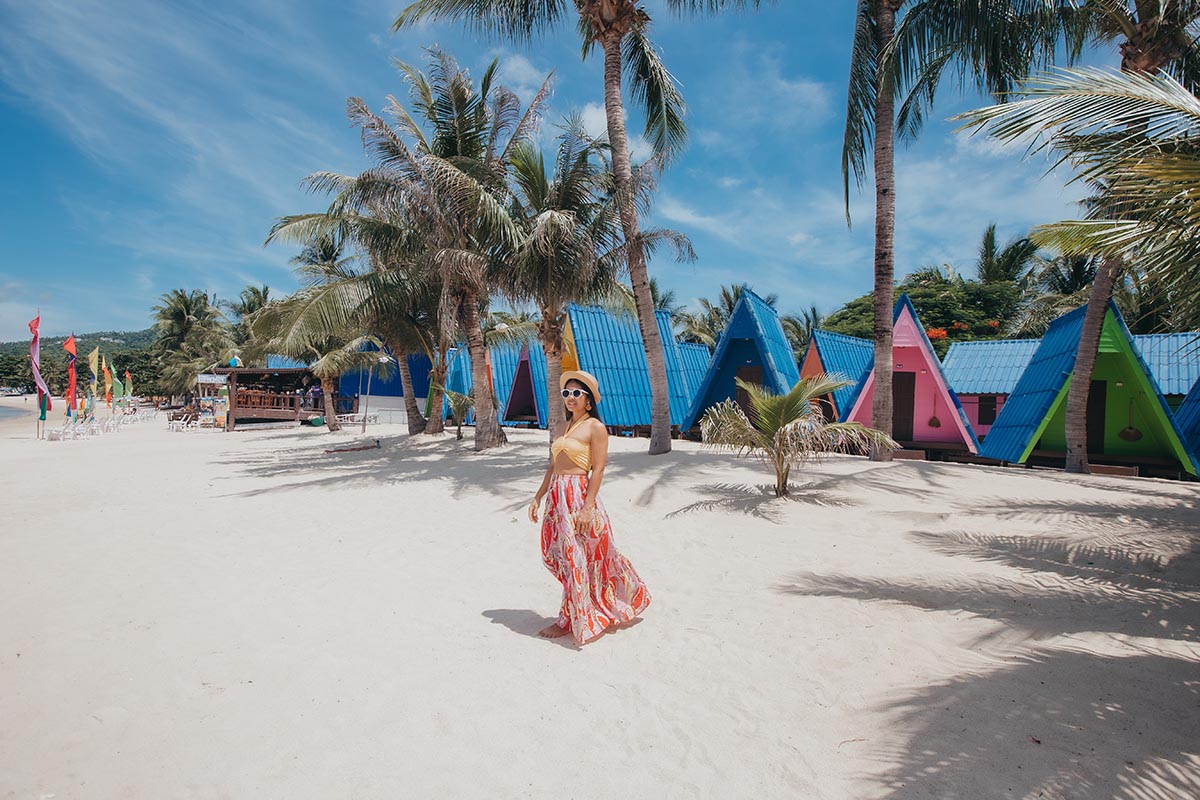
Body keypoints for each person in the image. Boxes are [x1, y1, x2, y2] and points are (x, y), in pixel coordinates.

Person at [528, 371, 650, 645]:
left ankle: (568, 619)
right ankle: (580, 610)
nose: (570, 398)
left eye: (576, 393)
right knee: (557, 554)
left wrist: (587, 507)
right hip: (556, 498)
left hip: (577, 496)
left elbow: (598, 469)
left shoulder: (595, 427)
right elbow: (552, 466)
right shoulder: (562, 427)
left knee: (579, 558)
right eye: (566, 393)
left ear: (588, 401)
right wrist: (538, 497)